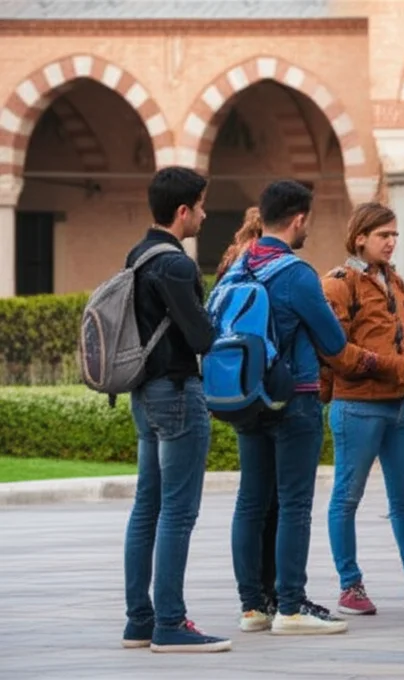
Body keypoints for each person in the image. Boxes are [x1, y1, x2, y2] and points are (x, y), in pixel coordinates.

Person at [227, 180, 348, 635]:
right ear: (298, 219)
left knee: (251, 501)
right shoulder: (297, 274)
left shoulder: (239, 266)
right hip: (294, 398)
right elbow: (334, 342)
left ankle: (253, 607)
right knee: (295, 503)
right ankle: (292, 607)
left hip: (246, 398)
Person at [122, 167, 229, 652]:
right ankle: (170, 622)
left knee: (147, 507)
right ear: (183, 210)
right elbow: (201, 337)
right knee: (178, 512)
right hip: (178, 391)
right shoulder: (177, 265)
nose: (204, 215)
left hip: (143, 393)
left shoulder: (137, 255)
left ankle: (139, 621)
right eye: (201, 206)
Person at [322, 202, 404, 617]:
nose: (391, 242)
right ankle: (349, 584)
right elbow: (335, 350)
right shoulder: (338, 284)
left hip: (401, 407)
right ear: (360, 238)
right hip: (357, 407)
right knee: (346, 498)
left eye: (394, 235)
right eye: (383, 235)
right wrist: (392, 368)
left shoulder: (396, 282)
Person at [215, 207, 280, 623]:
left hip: (236, 389)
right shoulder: (273, 268)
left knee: (251, 498)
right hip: (270, 390)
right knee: (279, 501)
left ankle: (250, 601)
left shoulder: (229, 271)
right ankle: (273, 591)